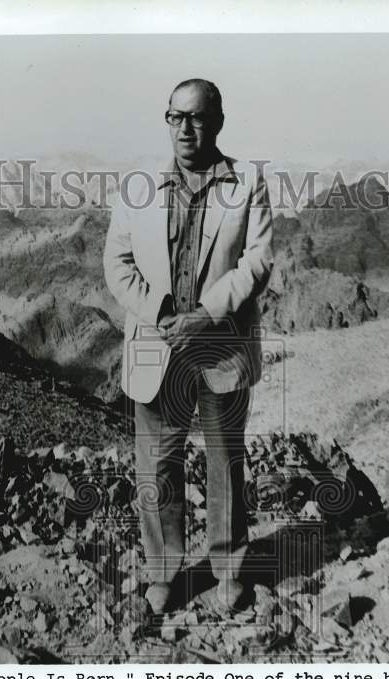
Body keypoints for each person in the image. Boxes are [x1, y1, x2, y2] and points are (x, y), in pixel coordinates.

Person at [103, 78, 274, 614]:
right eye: (174, 116)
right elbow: (117, 264)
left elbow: (258, 261)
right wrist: (162, 315)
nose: (184, 127)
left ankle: (228, 573)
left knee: (224, 463)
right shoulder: (137, 188)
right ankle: (163, 575)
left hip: (220, 346)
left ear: (217, 122)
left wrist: (205, 315)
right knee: (158, 466)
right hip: (157, 346)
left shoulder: (248, 184)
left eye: (195, 117)